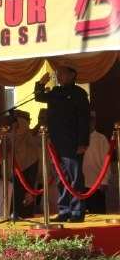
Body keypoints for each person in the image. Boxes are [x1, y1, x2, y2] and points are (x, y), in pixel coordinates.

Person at [35, 60, 90, 222]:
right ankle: (64, 210)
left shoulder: (79, 94)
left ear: (72, 74)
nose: (58, 76)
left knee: (74, 178)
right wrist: (40, 84)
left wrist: (82, 143)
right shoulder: (56, 92)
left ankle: (77, 211)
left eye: (62, 72)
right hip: (56, 142)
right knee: (61, 177)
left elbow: (84, 120)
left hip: (73, 142)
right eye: (57, 73)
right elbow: (39, 97)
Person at [83, 110, 110, 214]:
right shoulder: (77, 137)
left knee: (97, 212)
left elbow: (106, 161)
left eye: (91, 120)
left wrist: (104, 181)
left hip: (96, 183)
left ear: (94, 121)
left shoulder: (101, 139)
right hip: (81, 183)